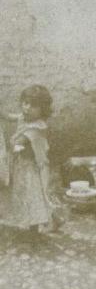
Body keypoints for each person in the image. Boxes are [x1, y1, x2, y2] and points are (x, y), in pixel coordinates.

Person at [0, 85, 60, 238]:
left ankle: (34, 231)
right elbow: (10, 116)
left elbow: (19, 142)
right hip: (22, 165)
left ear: (43, 110)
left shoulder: (36, 127)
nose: (27, 108)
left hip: (32, 167)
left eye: (33, 106)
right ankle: (53, 218)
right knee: (26, 195)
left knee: (34, 196)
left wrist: (9, 148)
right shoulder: (24, 117)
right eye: (25, 102)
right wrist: (2, 114)